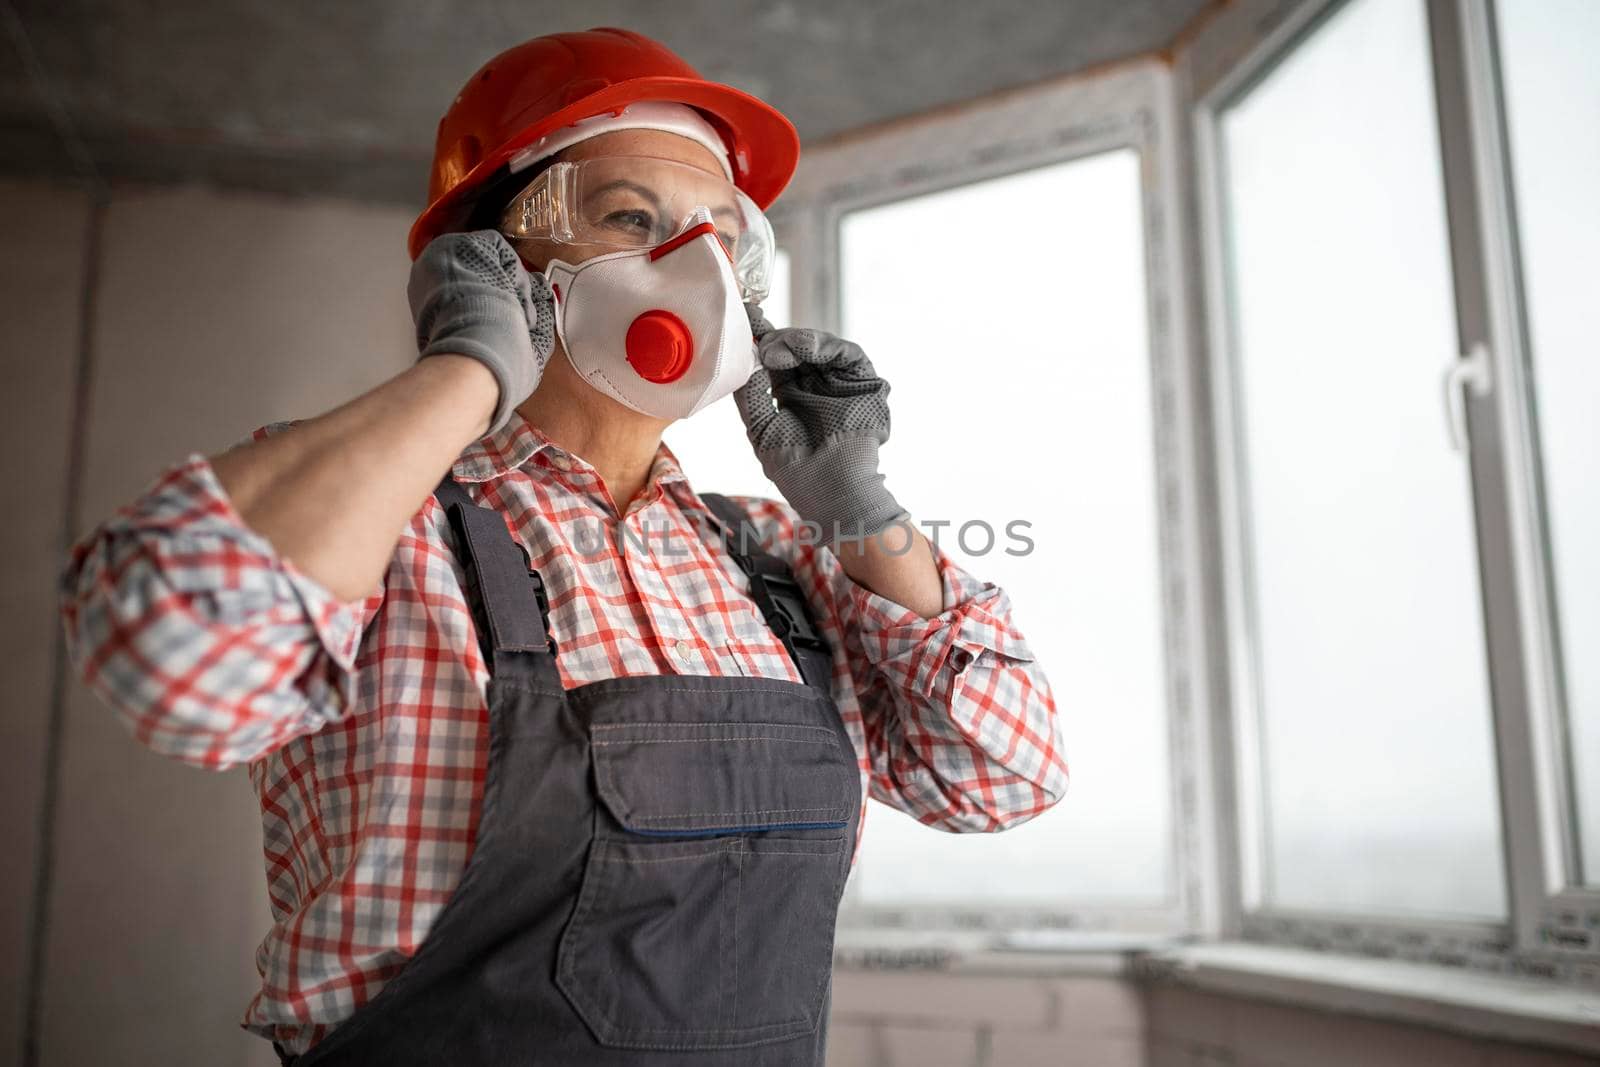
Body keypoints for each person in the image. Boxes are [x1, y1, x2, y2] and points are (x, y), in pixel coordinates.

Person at [57, 26, 1068, 1066]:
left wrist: (855, 499)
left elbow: (999, 777)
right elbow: (168, 660)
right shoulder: (384, 527)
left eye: (723, 234)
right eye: (633, 218)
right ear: (498, 262)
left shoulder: (774, 556)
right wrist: (468, 367)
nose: (697, 268)